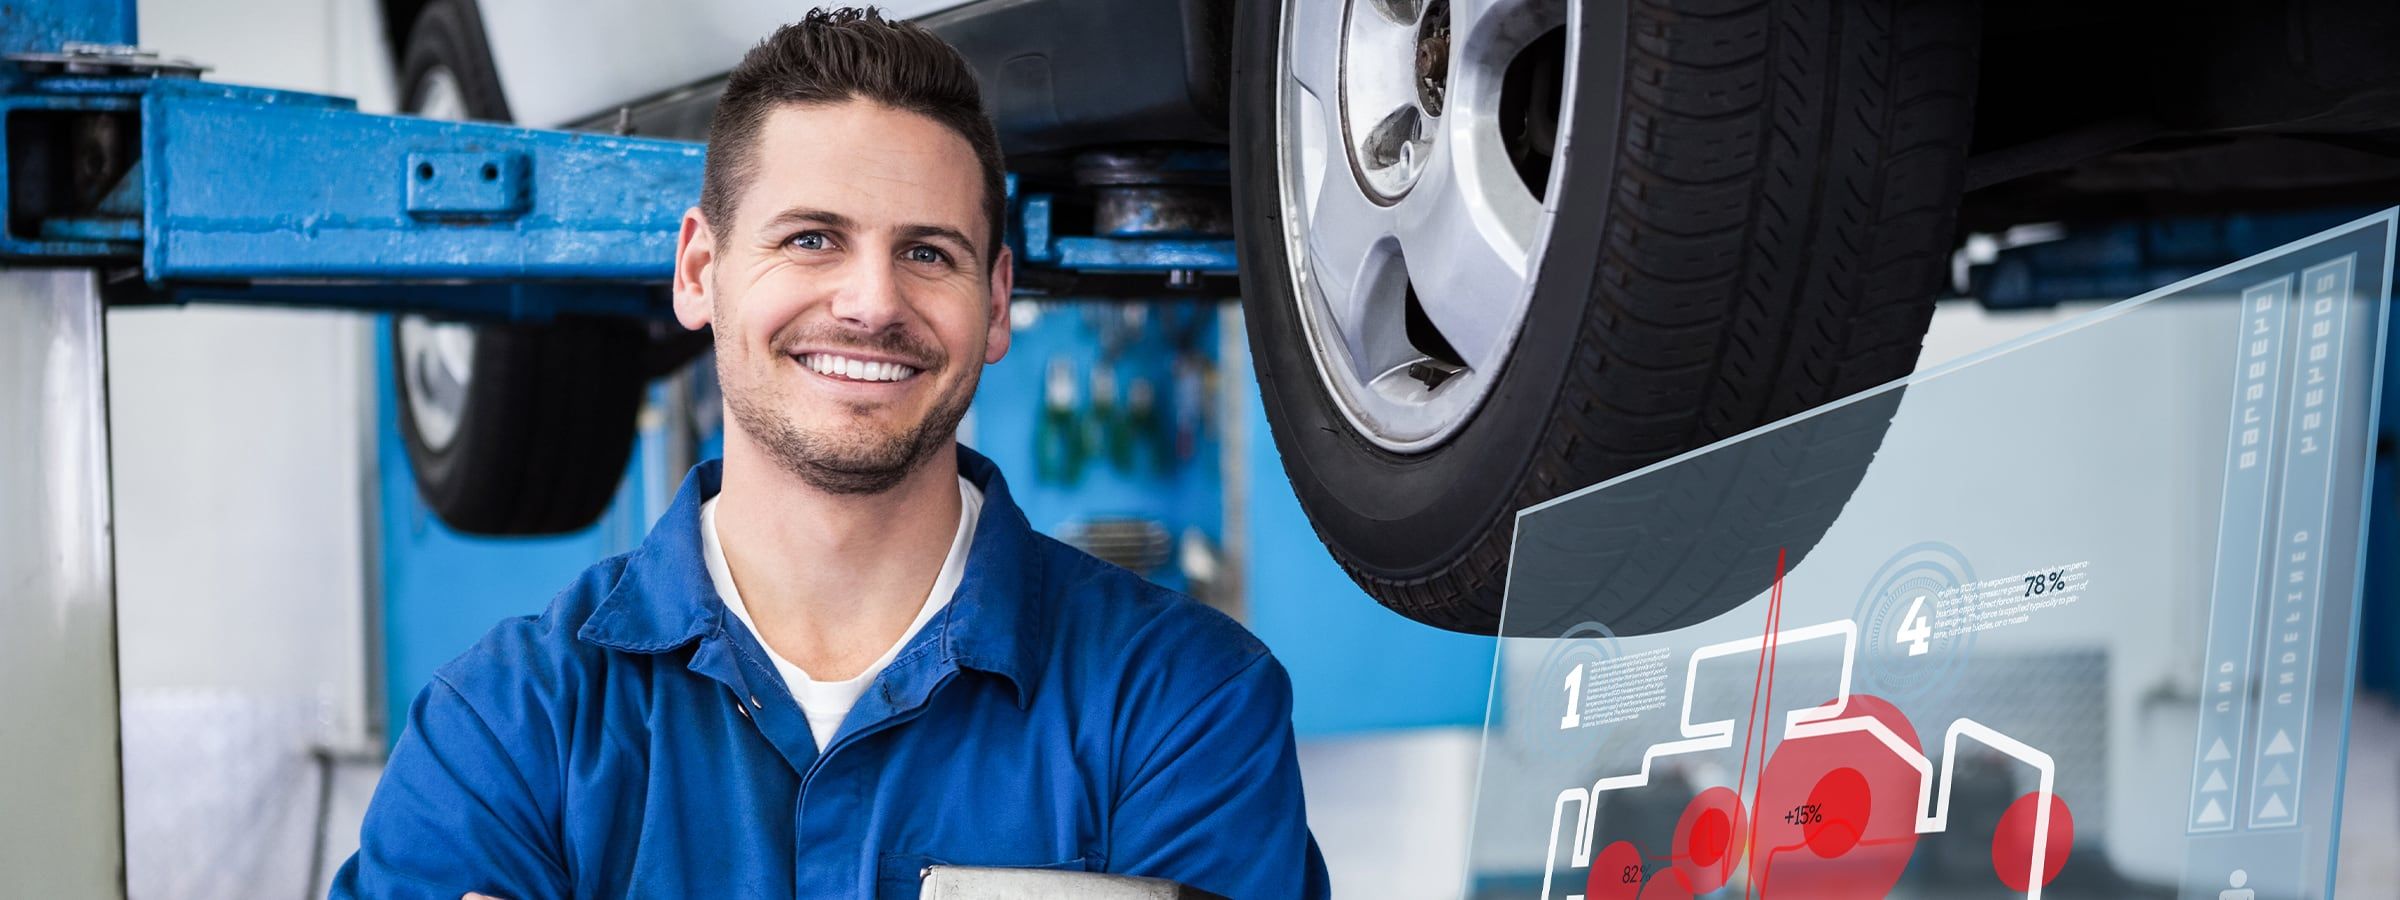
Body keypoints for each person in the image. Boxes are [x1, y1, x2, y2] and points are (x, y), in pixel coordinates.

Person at [333, 9, 1330, 898]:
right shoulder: (510, 729)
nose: (871, 303)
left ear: (993, 304)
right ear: (699, 272)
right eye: (811, 240)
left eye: (927, 252)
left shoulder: (1181, 703)